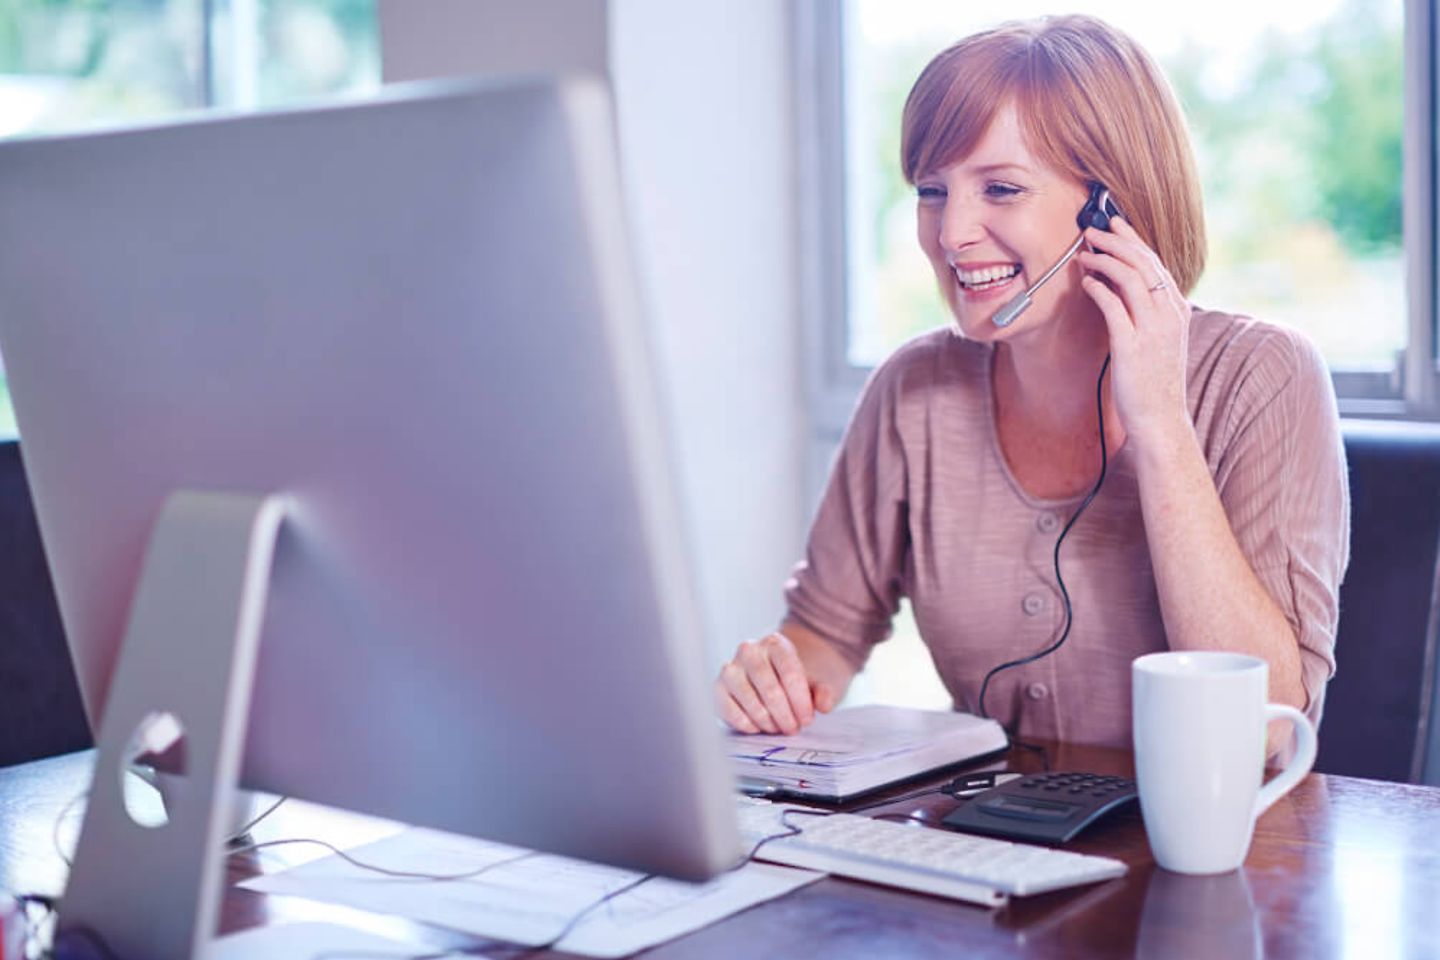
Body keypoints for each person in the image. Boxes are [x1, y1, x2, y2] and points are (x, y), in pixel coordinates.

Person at [714, 14, 1350, 756]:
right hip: (990, 846)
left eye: (1001, 188)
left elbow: (1267, 726)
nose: (952, 233)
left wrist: (1161, 425)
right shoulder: (914, 390)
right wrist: (775, 682)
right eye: (932, 190)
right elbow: (823, 633)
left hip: (1214, 849)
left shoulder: (1261, 376)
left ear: (1110, 211)